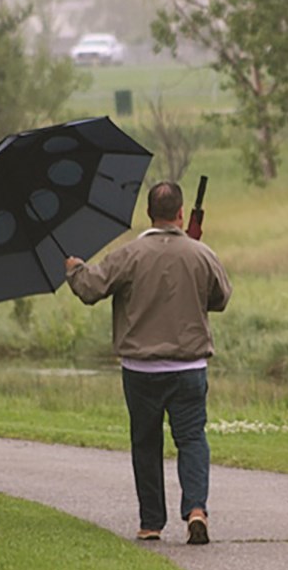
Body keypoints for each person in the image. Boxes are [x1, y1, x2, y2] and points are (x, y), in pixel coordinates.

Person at [64, 181, 232, 545]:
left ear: (148, 213)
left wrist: (75, 269)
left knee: (145, 442)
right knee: (191, 439)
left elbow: (91, 289)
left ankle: (151, 523)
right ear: (181, 213)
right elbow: (220, 298)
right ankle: (197, 509)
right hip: (189, 368)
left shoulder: (129, 254)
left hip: (141, 371)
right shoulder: (201, 253)